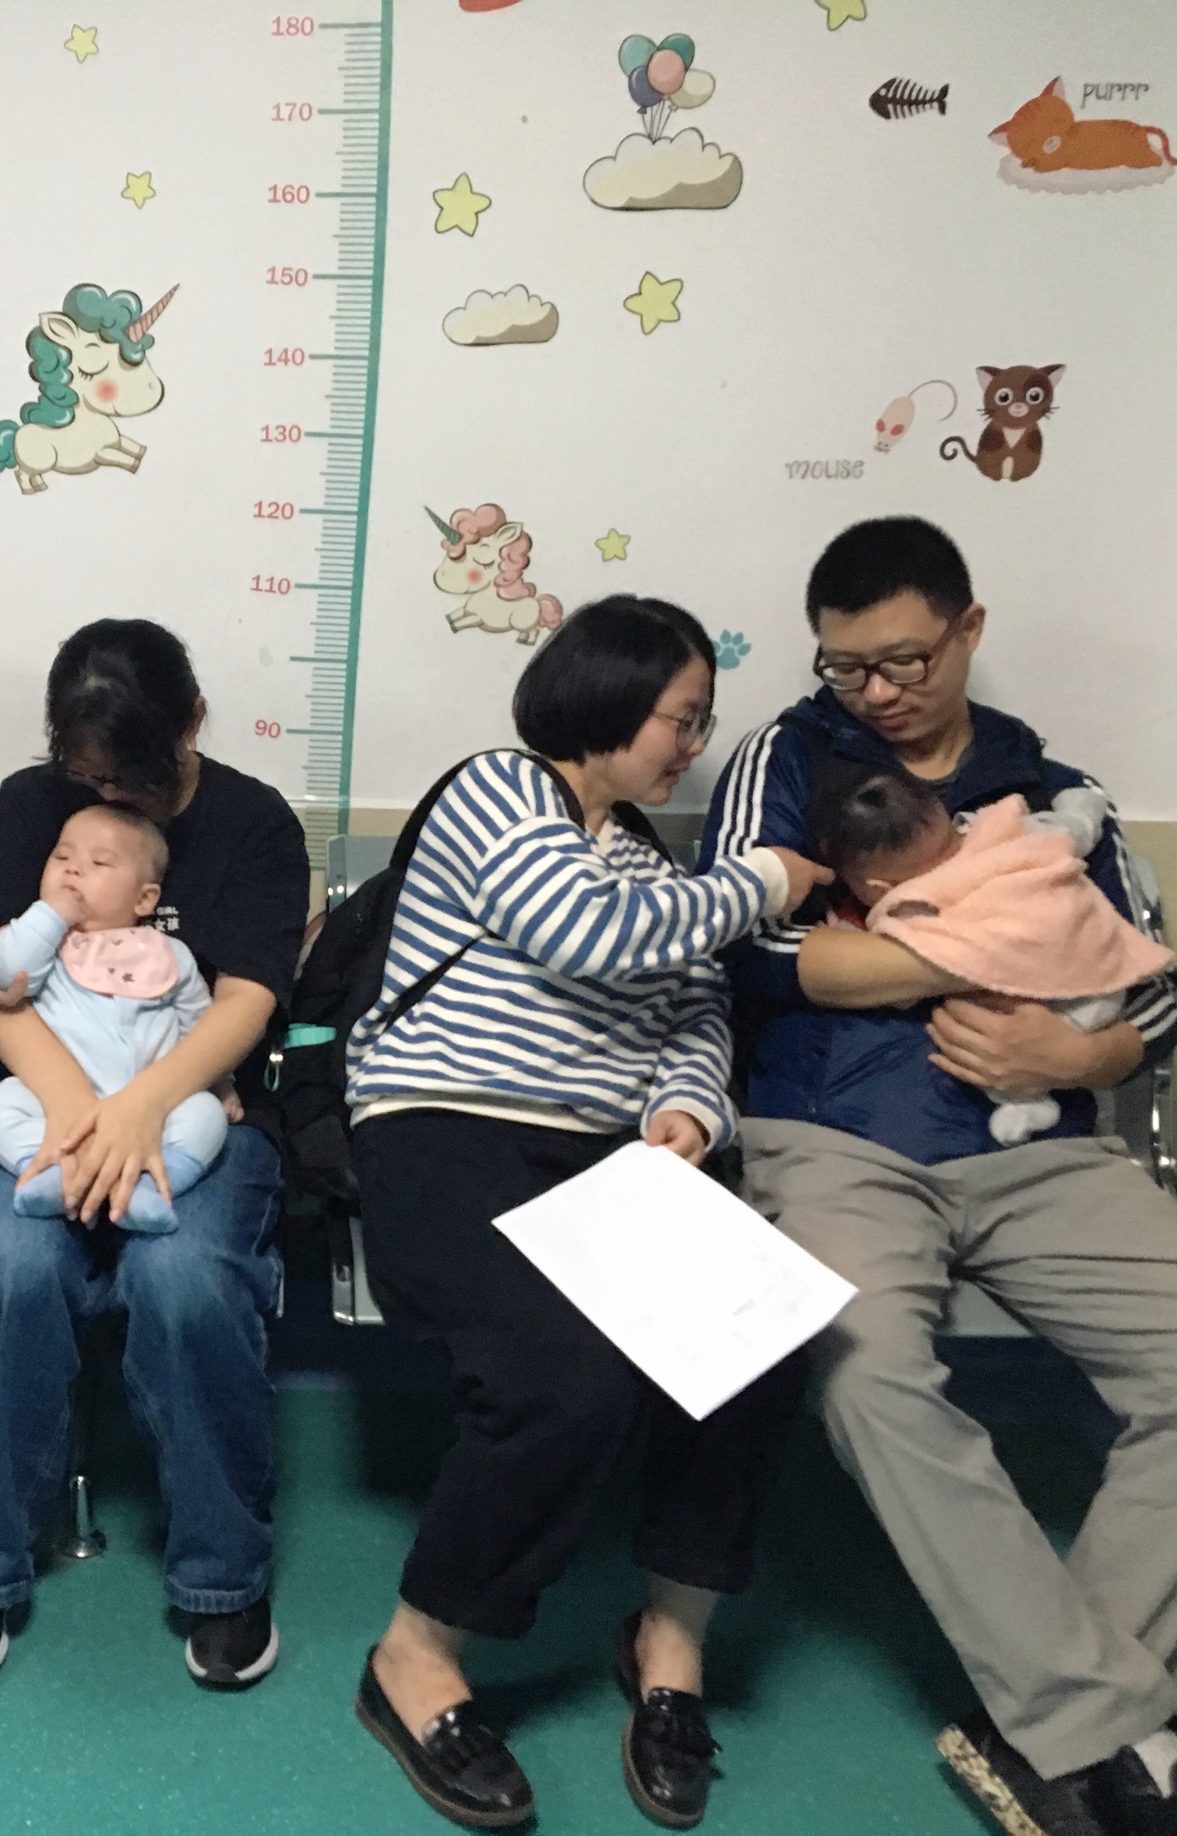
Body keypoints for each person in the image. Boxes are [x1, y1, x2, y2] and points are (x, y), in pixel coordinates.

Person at [700, 517, 1177, 1836]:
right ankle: (1121, 1741)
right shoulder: (786, 760)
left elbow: (1147, 987)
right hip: (838, 1137)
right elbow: (750, 951)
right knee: (862, 1363)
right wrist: (996, 952)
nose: (875, 691)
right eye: (846, 665)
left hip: (1043, 1146)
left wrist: (1081, 1048)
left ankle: (1065, 1728)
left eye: (904, 660)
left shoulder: (1056, 790)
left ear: (968, 629)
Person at [344, 598, 829, 1832]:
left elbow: (699, 1012)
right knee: (562, 1380)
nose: (692, 745)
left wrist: (686, 1112)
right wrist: (763, 882)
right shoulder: (496, 791)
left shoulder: (659, 870)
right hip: (444, 1124)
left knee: (758, 1336)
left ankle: (668, 1642)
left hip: (609, 1153)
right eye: (681, 718)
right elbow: (587, 936)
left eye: (703, 723)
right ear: (605, 700)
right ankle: (414, 1655)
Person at [0, 619, 307, 1692]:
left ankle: (222, 1575)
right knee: (10, 1274)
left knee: (186, 1278)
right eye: (91, 775)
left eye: (135, 776)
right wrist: (82, 1113)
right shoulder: (33, 805)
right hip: (42, 1104)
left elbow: (249, 998)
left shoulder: (254, 822)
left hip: (196, 1107)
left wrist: (144, 1110)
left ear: (193, 723)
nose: (111, 795)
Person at [807, 768, 1168, 1144]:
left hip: (1057, 1006)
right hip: (1105, 965)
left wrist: (847, 935)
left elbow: (905, 990)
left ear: (877, 888)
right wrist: (1081, 812)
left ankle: (1023, 1101)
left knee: (977, 1029)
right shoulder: (999, 829)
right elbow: (1068, 833)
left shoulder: (912, 905)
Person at [0, 802, 237, 1231]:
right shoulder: (42, 945)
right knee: (2, 1103)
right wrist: (50, 915)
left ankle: (150, 1187)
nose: (73, 869)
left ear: (144, 898)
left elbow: (199, 1022)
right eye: (62, 857)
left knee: (205, 1115)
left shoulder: (169, 955)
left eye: (99, 863)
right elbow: (3, 974)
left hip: (152, 1107)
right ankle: (50, 1174)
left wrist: (220, 1081)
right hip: (55, 1104)